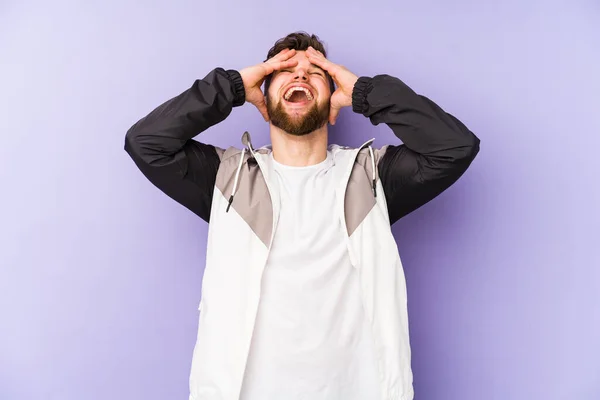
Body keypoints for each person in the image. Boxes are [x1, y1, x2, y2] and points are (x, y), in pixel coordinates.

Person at [124, 32, 480, 400]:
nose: (299, 77)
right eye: (284, 70)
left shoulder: (374, 176)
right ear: (263, 94)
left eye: (314, 72)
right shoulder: (225, 178)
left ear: (331, 98)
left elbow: (455, 147)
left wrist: (364, 93)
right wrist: (231, 87)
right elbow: (146, 142)